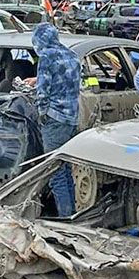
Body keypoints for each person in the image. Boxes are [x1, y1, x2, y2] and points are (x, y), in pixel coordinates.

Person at [31, 23, 81, 217]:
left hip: (55, 118)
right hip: (71, 119)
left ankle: (64, 217)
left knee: (54, 171)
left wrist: (42, 112)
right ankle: (73, 213)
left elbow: (43, 90)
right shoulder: (72, 55)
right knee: (65, 167)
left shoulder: (46, 57)